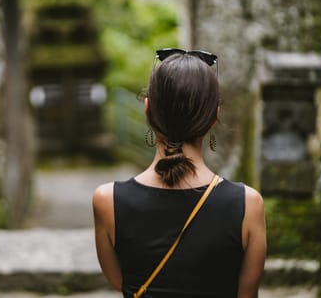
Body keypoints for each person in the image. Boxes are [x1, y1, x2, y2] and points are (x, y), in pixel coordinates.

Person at [92, 48, 266, 298]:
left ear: (147, 108)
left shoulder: (107, 200)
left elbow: (121, 282)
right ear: (214, 115)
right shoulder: (248, 204)